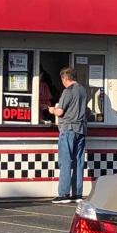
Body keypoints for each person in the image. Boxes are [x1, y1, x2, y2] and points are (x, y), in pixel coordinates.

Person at [48, 66, 89, 204]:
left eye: (62, 79)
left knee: (65, 161)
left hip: (68, 129)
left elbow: (60, 112)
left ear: (65, 78)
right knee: (78, 162)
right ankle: (77, 193)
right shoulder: (83, 90)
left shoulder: (68, 91)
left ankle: (64, 194)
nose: (62, 82)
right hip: (81, 129)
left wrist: (51, 109)